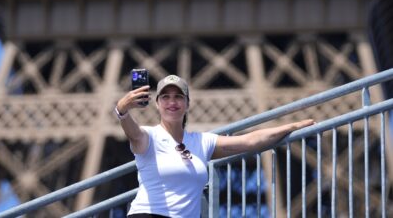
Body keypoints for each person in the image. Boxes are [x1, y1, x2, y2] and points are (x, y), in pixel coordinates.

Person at [115, 74, 314, 218]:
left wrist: (291, 127)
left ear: (187, 104)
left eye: (178, 97)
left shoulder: (202, 141)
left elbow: (250, 141)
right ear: (157, 104)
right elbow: (133, 133)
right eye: (165, 97)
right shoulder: (149, 136)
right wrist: (122, 111)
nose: (172, 102)